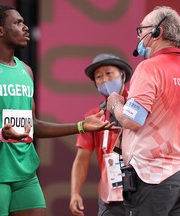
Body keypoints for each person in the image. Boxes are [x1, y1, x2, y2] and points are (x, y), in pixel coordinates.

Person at [0, 5, 115, 216]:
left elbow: (34, 126)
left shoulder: (26, 71)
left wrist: (82, 126)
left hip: (25, 173)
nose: (25, 27)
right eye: (18, 23)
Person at [106, 6, 180, 216]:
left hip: (153, 177)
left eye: (141, 30)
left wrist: (115, 103)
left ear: (156, 33)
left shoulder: (149, 67)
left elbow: (132, 120)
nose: (139, 37)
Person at [69, 53, 133, 216]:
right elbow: (82, 159)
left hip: (140, 193)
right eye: (98, 77)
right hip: (109, 198)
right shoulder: (93, 117)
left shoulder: (138, 108)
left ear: (122, 75)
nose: (104, 80)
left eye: (109, 73)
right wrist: (75, 192)